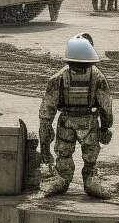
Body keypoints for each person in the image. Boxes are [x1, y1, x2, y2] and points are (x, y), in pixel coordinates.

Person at [39, 35, 114, 199]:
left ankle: (79, 180)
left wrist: (106, 127)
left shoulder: (62, 78)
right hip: (78, 122)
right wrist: (106, 126)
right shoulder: (95, 77)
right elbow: (106, 107)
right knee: (72, 153)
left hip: (77, 122)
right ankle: (74, 179)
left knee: (81, 154)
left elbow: (47, 109)